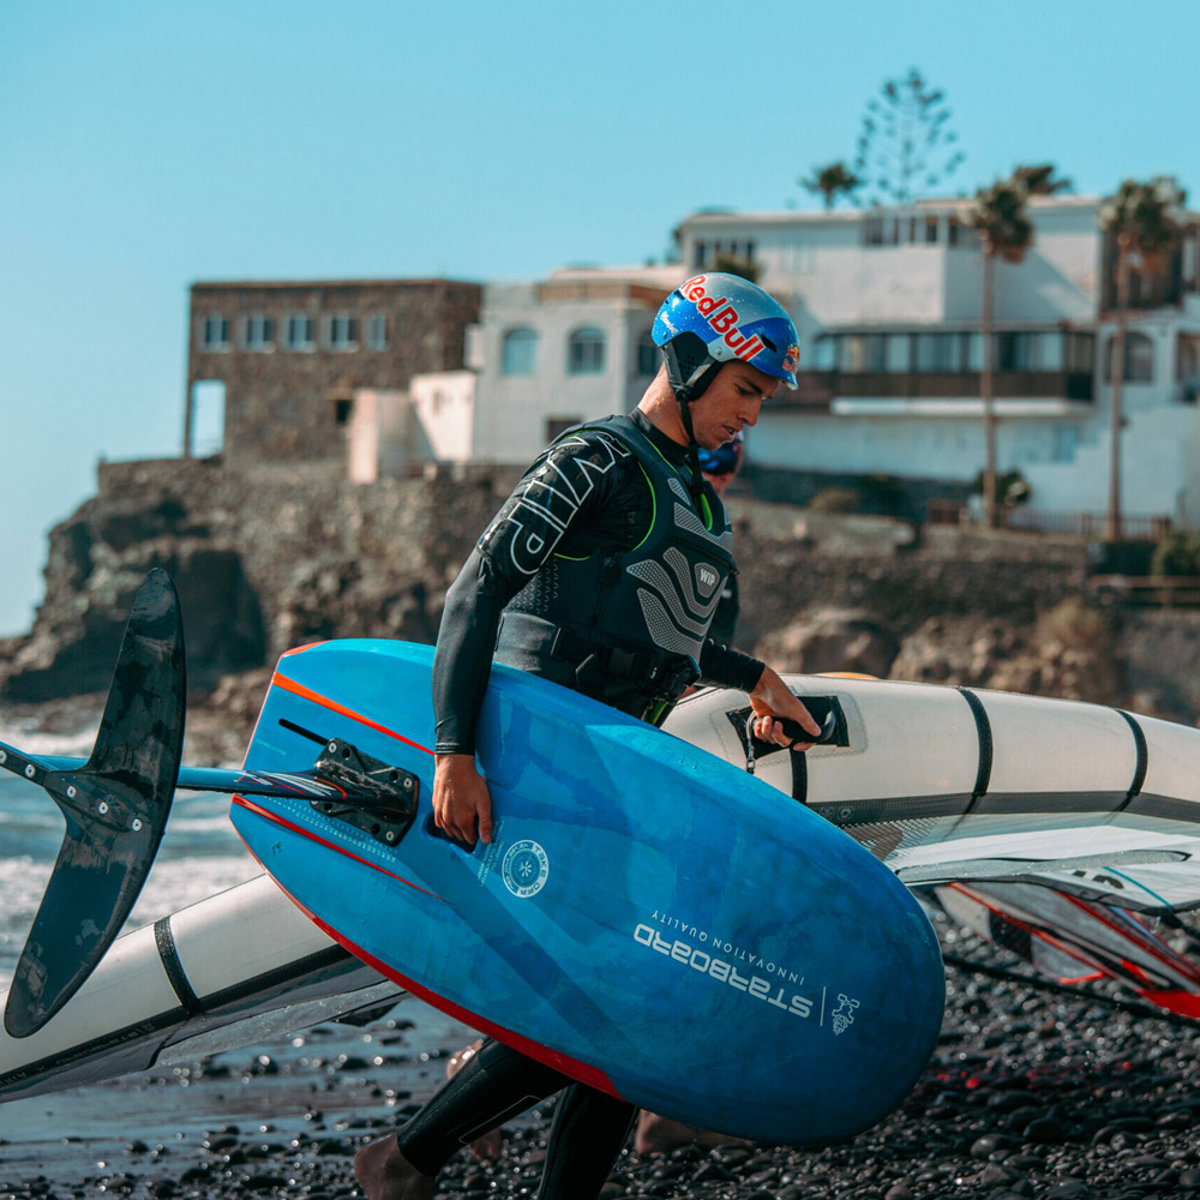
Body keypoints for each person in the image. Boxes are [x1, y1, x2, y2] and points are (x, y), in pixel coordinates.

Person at [354, 272, 820, 1200]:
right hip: (538, 767)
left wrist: (755, 677)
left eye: (763, 399)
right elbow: (477, 590)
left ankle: (408, 1162)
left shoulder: (697, 501)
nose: (751, 415)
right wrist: (454, 753)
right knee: (619, 1010)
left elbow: (663, 639)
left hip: (615, 779)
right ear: (688, 361)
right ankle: (401, 1160)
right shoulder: (597, 458)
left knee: (624, 1016)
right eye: (745, 390)